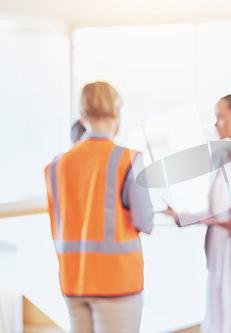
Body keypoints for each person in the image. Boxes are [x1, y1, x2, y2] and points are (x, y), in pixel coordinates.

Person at [45, 82, 153, 333]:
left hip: (73, 281)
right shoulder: (128, 159)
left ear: (83, 115)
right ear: (117, 113)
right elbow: (144, 222)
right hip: (116, 284)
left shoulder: (55, 166)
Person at [165, 93, 231, 333]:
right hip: (217, 252)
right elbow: (215, 210)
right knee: (217, 316)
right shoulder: (221, 159)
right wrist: (181, 216)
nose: (215, 124)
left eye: (221, 117)